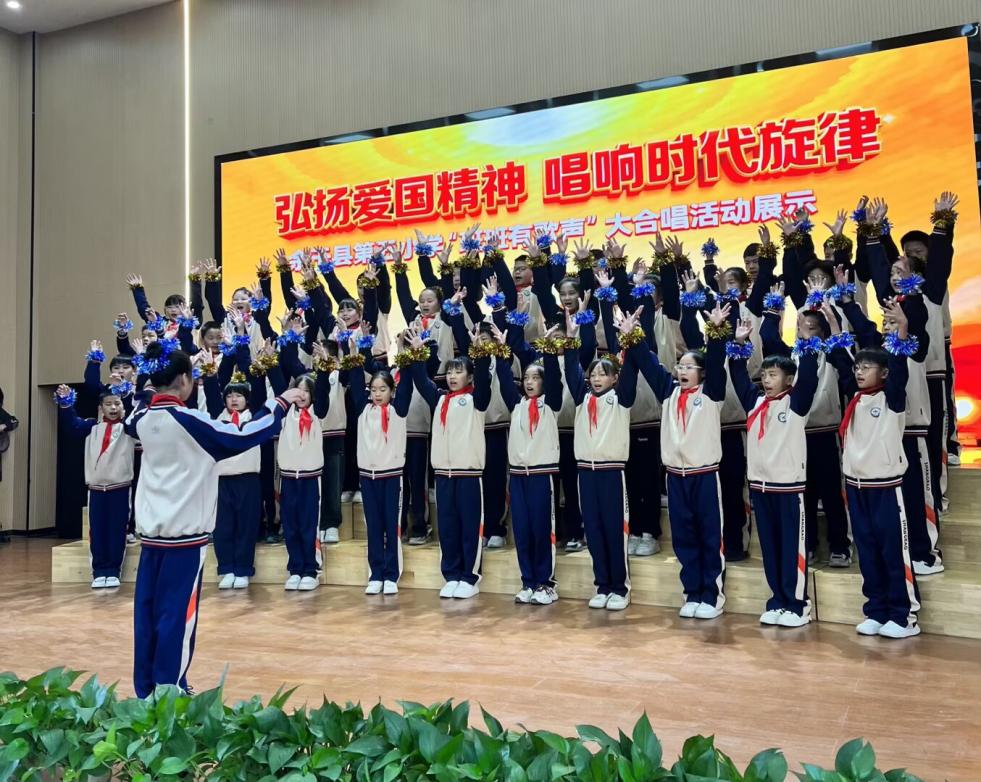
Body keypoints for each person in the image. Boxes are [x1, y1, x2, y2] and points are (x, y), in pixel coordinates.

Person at [123, 340, 300, 697]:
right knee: (177, 614)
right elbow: (244, 434)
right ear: (185, 381)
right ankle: (170, 690)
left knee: (147, 613)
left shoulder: (142, 418)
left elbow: (137, 409)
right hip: (185, 537)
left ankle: (145, 690)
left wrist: (148, 385)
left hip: (152, 535)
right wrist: (280, 403)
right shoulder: (190, 420)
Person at [826, 301, 921, 639]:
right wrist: (834, 327)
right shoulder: (856, 397)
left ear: (884, 373)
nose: (859, 372)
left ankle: (903, 616)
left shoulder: (891, 398)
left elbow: (900, 365)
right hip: (856, 486)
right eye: (859, 367)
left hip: (885, 487)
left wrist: (901, 329)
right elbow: (840, 362)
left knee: (892, 551)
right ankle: (876, 610)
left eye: (867, 367)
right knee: (867, 551)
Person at [632, 303, 730, 619]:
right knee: (684, 536)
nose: (682, 371)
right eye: (680, 366)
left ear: (702, 372)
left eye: (689, 367)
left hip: (704, 474)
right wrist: (633, 336)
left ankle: (712, 595)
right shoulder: (669, 393)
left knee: (708, 535)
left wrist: (716, 333)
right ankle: (692, 593)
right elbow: (648, 364)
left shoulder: (711, 394)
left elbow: (717, 363)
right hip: (675, 476)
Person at [728, 319, 819, 627]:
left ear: (789, 379)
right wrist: (740, 345)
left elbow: (809, 378)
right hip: (760, 487)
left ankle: (798, 604)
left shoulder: (796, 403)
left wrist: (806, 343)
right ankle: (777, 600)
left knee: (791, 546)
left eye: (774, 374)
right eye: (765, 374)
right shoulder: (754, 403)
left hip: (788, 488)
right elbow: (738, 376)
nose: (766, 380)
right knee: (770, 547)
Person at [565, 309, 642, 612]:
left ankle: (620, 587)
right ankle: (602, 585)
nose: (596, 378)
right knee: (594, 530)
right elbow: (571, 372)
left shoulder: (621, 399)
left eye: (603, 374)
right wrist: (571, 341)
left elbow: (632, 370)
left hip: (611, 473)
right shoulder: (582, 399)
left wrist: (629, 339)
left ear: (615, 378)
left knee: (613, 529)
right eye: (593, 374)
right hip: (586, 473)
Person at [412, 327, 493, 600]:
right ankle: (452, 574)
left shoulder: (476, 400)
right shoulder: (440, 399)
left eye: (458, 371)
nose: (452, 376)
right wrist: (417, 354)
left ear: (469, 376)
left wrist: (480, 353)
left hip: (468, 474)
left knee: (470, 528)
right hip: (443, 475)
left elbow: (484, 380)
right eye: (449, 372)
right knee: (447, 528)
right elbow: (421, 381)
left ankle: (470, 576)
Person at [343, 334, 416, 595]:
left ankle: (391, 574)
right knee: (373, 527)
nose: (377, 394)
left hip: (392, 477)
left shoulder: (398, 410)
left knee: (391, 526)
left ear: (392, 391)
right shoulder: (363, 410)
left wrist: (404, 353)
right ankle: (375, 573)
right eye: (373, 390)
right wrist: (353, 355)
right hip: (368, 477)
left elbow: (407, 385)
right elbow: (355, 382)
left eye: (382, 389)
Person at [498, 330, 563, 605]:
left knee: (541, 530)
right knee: (522, 531)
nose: (529, 382)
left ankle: (546, 583)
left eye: (535, 378)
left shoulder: (551, 404)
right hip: (518, 475)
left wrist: (549, 350)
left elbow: (556, 380)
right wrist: (501, 353)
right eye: (526, 378)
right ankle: (528, 581)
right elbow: (504, 381)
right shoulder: (517, 406)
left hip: (541, 475)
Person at [54, 386, 135, 588]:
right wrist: (66, 403)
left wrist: (127, 393)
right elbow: (71, 425)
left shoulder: (128, 428)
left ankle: (113, 570)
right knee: (97, 531)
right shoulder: (91, 427)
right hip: (96, 489)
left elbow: (137, 412)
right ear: (100, 408)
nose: (113, 408)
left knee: (117, 531)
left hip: (120, 488)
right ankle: (99, 571)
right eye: (108, 404)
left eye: (117, 404)